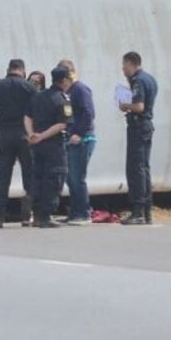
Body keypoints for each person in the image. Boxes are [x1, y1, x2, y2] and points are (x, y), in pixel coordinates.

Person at [0, 59, 36, 228]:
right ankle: (27, 216)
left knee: (3, 177)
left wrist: (2, 113)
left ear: (8, 69)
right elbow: (37, 112)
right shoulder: (30, 87)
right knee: (30, 175)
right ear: (23, 71)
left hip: (4, 136)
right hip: (25, 136)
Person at [25, 67, 73, 228]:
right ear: (64, 81)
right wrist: (42, 136)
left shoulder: (37, 97)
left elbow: (27, 116)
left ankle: (37, 214)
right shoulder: (62, 99)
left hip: (37, 146)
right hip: (54, 145)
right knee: (54, 178)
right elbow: (62, 124)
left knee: (38, 177)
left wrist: (32, 134)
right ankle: (45, 215)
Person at [119, 51, 158, 225]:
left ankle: (138, 211)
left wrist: (125, 105)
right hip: (146, 126)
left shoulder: (138, 81)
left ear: (132, 63)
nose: (123, 69)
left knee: (135, 168)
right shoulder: (150, 79)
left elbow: (139, 106)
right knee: (144, 167)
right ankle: (147, 210)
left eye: (124, 65)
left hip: (138, 126)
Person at [57, 59, 97, 226]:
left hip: (83, 139)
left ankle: (83, 212)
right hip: (72, 139)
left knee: (77, 176)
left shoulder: (80, 89)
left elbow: (89, 113)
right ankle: (75, 210)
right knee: (70, 176)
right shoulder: (69, 92)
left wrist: (79, 133)